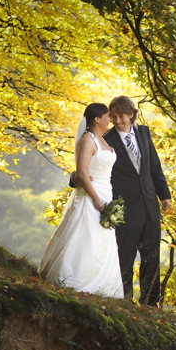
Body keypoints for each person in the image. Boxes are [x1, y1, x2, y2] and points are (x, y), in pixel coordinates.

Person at [40, 103, 123, 298]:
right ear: (97, 119)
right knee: (85, 237)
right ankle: (74, 281)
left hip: (106, 192)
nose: (110, 119)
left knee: (102, 240)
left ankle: (102, 286)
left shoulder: (103, 140)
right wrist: (96, 199)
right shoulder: (88, 140)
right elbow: (82, 174)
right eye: (107, 116)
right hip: (91, 197)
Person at [104, 95, 172, 306]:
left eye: (121, 116)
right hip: (124, 208)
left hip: (150, 205)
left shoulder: (143, 133)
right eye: (113, 116)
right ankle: (124, 301)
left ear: (131, 114)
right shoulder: (107, 139)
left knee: (151, 257)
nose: (117, 121)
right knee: (125, 257)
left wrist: (165, 195)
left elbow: (154, 166)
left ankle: (150, 304)